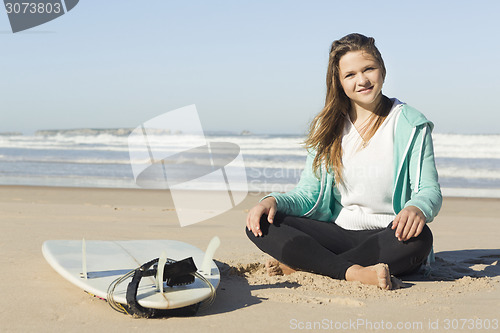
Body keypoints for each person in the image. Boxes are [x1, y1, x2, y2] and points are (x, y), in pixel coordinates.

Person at [245, 33, 442, 290]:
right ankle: (352, 271)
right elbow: (308, 194)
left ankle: (314, 264)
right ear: (338, 81)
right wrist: (272, 200)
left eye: (368, 69)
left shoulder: (410, 123)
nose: (362, 80)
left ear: (382, 69)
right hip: (336, 233)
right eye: (350, 75)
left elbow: (429, 189)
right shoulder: (329, 127)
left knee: (420, 238)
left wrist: (418, 208)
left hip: (388, 235)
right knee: (260, 222)